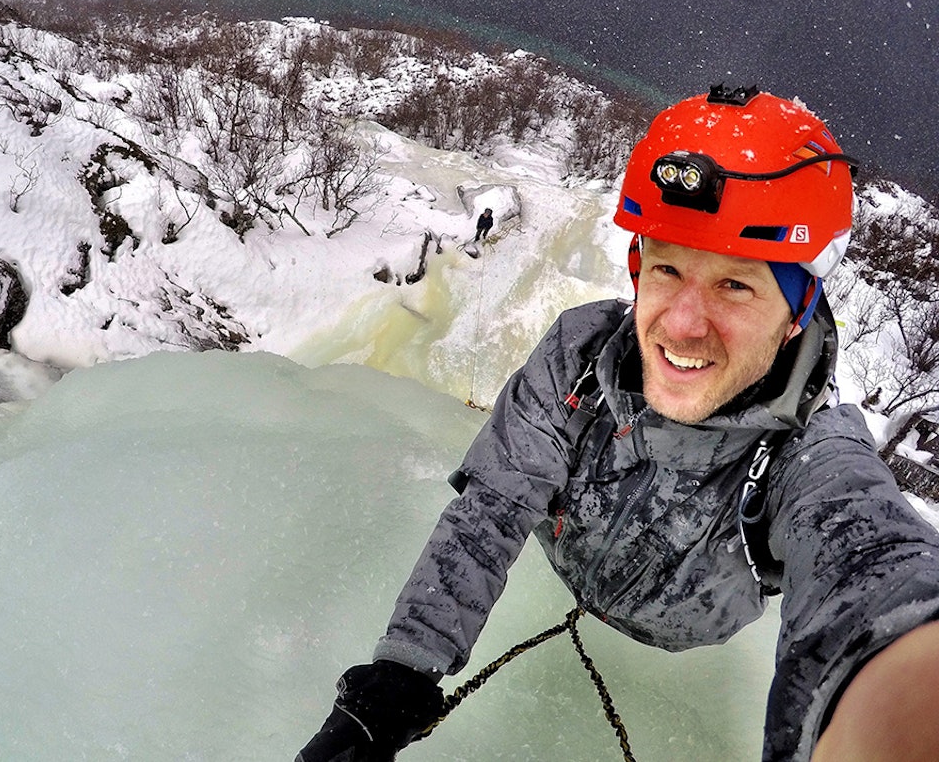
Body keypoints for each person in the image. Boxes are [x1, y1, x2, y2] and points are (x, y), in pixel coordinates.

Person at [297, 85, 939, 762]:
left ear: (797, 312)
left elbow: (874, 572)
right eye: (667, 269)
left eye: (735, 284)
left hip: (677, 644)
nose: (682, 325)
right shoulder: (578, 357)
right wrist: (401, 669)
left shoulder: (812, 457)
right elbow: (492, 509)